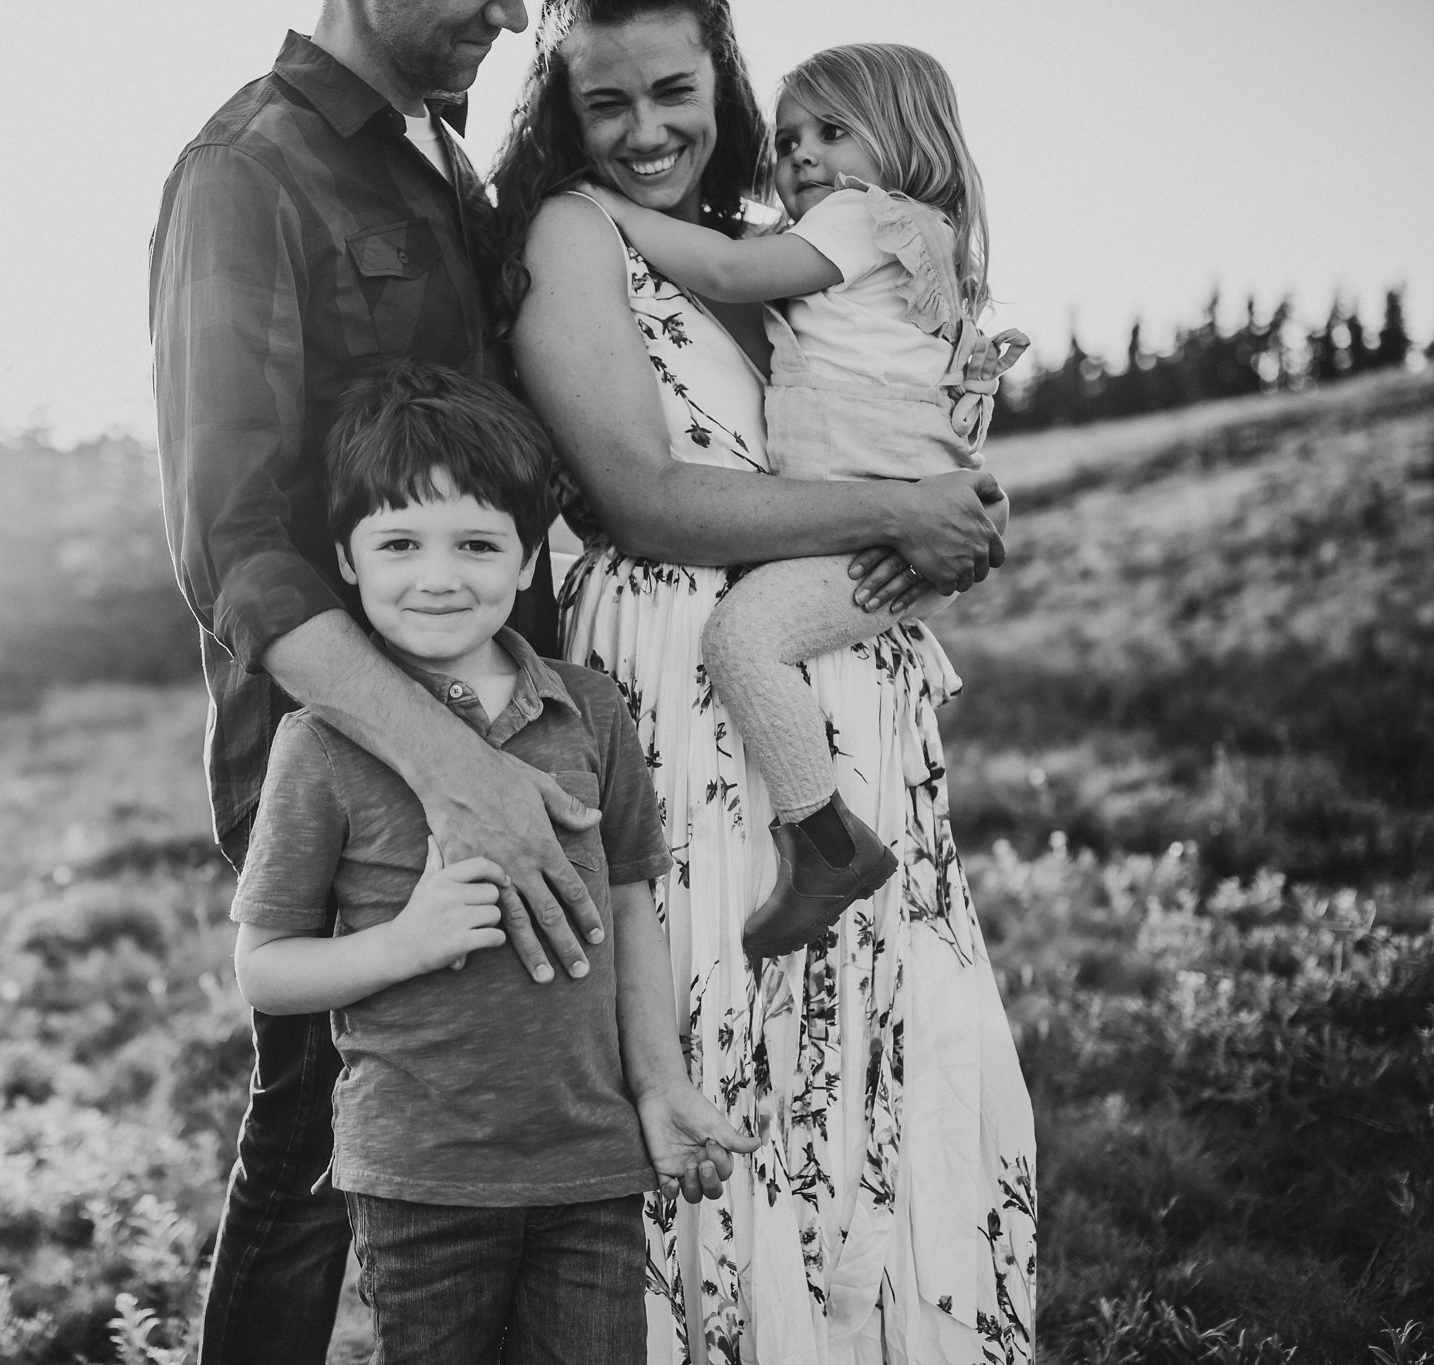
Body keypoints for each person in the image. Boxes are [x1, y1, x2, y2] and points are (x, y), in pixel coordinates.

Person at [488, 2, 1038, 1361]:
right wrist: (895, 510)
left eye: (673, 92)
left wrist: (955, 503)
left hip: (836, 686)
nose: (645, 131)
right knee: (744, 1065)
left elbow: (863, 433)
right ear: (565, 108)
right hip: (694, 693)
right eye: (606, 104)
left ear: (718, 82)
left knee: (868, 1071)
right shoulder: (576, 227)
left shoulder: (785, 228)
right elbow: (651, 499)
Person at [150, 5, 645, 1362]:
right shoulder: (246, 173)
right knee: (313, 1145)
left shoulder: (453, 163)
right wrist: (457, 771)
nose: (504, 12)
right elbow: (233, 548)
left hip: (512, 732)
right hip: (349, 762)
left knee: (525, 1113)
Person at [231, 360, 750, 1364]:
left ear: (526, 562)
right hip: (419, 1182)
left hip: (590, 1172)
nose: (437, 576)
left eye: (475, 543)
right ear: (345, 557)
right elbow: (263, 969)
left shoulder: (589, 711)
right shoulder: (324, 743)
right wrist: (406, 942)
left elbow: (631, 908)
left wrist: (659, 1085)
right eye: (398, 543)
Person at [583, 43, 1031, 961]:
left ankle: (826, 843)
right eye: (788, 140)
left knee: (743, 639)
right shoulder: (867, 245)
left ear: (906, 139)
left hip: (882, 519)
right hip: (881, 519)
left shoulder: (869, 219)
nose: (802, 156)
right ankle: (826, 839)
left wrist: (609, 207)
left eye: (833, 131)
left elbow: (729, 274)